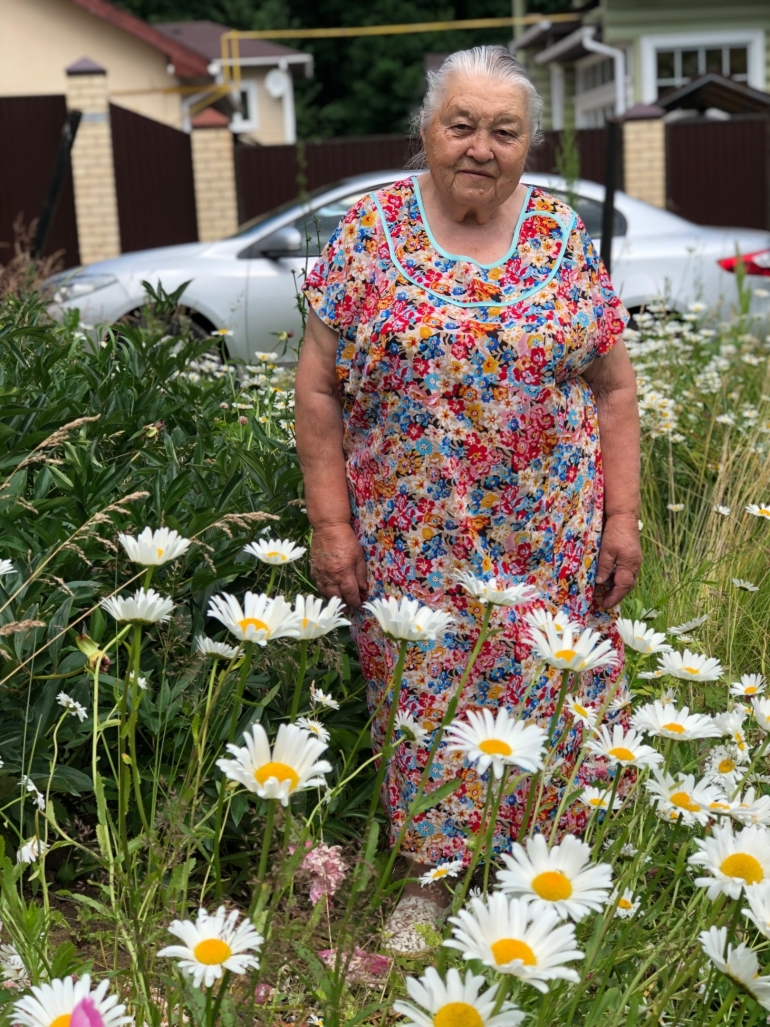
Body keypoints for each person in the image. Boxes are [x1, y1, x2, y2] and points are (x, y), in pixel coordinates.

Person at [294, 45, 641, 953]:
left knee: (552, 700)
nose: (480, 146)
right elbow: (318, 390)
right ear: (426, 132)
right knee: (425, 709)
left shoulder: (563, 235)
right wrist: (332, 526)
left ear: (529, 145)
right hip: (414, 544)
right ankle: (433, 883)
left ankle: (552, 876)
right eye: (462, 125)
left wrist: (622, 519)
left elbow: (612, 386)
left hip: (549, 538)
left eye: (504, 130)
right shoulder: (366, 234)